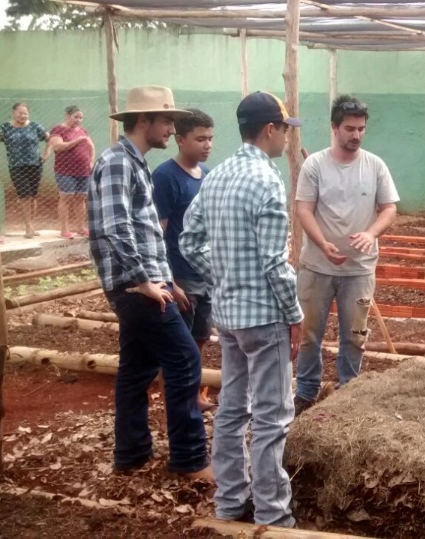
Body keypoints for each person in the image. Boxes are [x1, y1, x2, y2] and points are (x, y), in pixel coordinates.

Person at [179, 91, 304, 527]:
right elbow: (275, 262)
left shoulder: (217, 176)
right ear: (270, 129)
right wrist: (295, 315)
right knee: (272, 416)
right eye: (286, 130)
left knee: (233, 410)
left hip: (229, 317)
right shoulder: (267, 181)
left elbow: (188, 240)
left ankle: (230, 502)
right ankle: (273, 512)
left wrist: (224, 275)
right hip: (265, 319)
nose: (288, 139)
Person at [87, 86, 211, 481]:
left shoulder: (134, 161)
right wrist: (144, 282)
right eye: (167, 120)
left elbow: (144, 232)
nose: (171, 127)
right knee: (185, 358)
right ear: (144, 121)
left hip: (146, 283)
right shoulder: (119, 162)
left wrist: (165, 280)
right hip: (133, 287)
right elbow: (115, 226)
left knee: (137, 369)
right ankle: (190, 460)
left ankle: (132, 454)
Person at [293, 95, 399, 416]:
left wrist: (370, 233)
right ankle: (306, 391)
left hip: (359, 269)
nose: (356, 135)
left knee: (355, 335)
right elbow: (303, 209)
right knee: (310, 334)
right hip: (316, 266)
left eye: (361, 129)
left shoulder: (375, 165)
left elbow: (389, 208)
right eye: (350, 128)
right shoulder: (315, 165)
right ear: (334, 128)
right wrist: (323, 243)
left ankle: (348, 390)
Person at [152, 108, 216, 412]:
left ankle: (192, 396)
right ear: (179, 139)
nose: (207, 145)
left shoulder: (207, 176)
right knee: (179, 346)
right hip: (181, 276)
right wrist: (169, 281)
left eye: (210, 138)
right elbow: (158, 234)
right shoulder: (165, 177)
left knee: (200, 338)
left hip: (206, 274)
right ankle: (174, 404)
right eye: (200, 139)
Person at [0, 102, 50, 238]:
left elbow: (49, 139)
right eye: (20, 113)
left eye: (25, 113)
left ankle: (31, 225)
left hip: (35, 165)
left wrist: (46, 154)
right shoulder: (5, 128)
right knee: (25, 196)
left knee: (33, 197)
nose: (23, 115)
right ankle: (28, 227)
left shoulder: (34, 126)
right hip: (16, 167)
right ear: (13, 113)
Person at [49, 105, 95, 238]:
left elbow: (91, 147)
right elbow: (57, 146)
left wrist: (91, 162)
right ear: (67, 116)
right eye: (76, 117)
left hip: (83, 171)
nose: (79, 120)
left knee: (81, 198)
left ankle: (81, 227)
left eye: (81, 118)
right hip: (65, 171)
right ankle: (64, 230)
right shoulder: (58, 130)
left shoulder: (82, 131)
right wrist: (77, 141)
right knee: (66, 198)